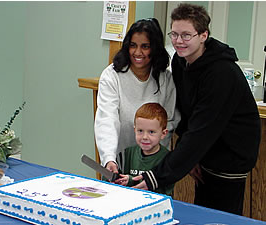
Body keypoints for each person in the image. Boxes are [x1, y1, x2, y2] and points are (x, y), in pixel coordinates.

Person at [133, 3, 261, 216]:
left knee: (220, 218)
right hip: (207, 153)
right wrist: (190, 157)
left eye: (186, 35)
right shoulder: (180, 62)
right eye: (174, 34)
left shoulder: (222, 73)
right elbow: (186, 112)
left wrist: (156, 177)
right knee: (202, 212)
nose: (178, 41)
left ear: (203, 35)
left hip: (231, 156)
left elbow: (203, 130)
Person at [94, 18, 180, 174]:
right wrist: (109, 158)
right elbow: (106, 119)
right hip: (118, 160)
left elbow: (168, 123)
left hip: (153, 165)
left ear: (154, 48)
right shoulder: (111, 76)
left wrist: (155, 163)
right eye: (133, 45)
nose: (138, 52)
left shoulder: (166, 79)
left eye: (145, 46)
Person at [114, 103, 174, 195]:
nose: (145, 137)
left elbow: (163, 191)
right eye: (140, 131)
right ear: (134, 130)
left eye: (151, 132)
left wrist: (131, 181)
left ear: (163, 133)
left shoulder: (168, 159)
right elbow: (112, 179)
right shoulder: (127, 154)